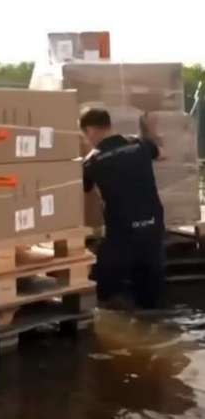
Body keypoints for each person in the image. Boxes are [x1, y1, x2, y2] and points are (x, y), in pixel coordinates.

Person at [80, 108, 165, 310]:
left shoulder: (92, 161)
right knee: (149, 293)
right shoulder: (138, 144)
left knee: (105, 289)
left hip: (123, 230)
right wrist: (148, 132)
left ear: (90, 130)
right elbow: (162, 154)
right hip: (153, 224)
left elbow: (84, 190)